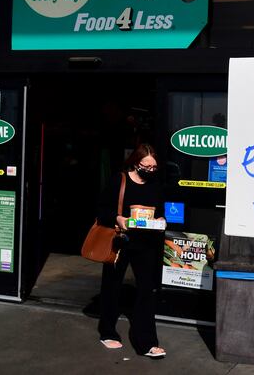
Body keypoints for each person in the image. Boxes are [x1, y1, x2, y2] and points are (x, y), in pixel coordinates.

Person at [96, 143, 167, 359]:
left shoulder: (155, 184)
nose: (151, 170)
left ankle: (147, 342)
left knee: (146, 290)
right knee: (112, 286)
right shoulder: (120, 180)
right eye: (147, 166)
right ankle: (107, 331)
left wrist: (162, 220)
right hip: (121, 240)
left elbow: (161, 211)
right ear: (137, 163)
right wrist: (118, 218)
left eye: (154, 167)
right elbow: (102, 210)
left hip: (146, 243)